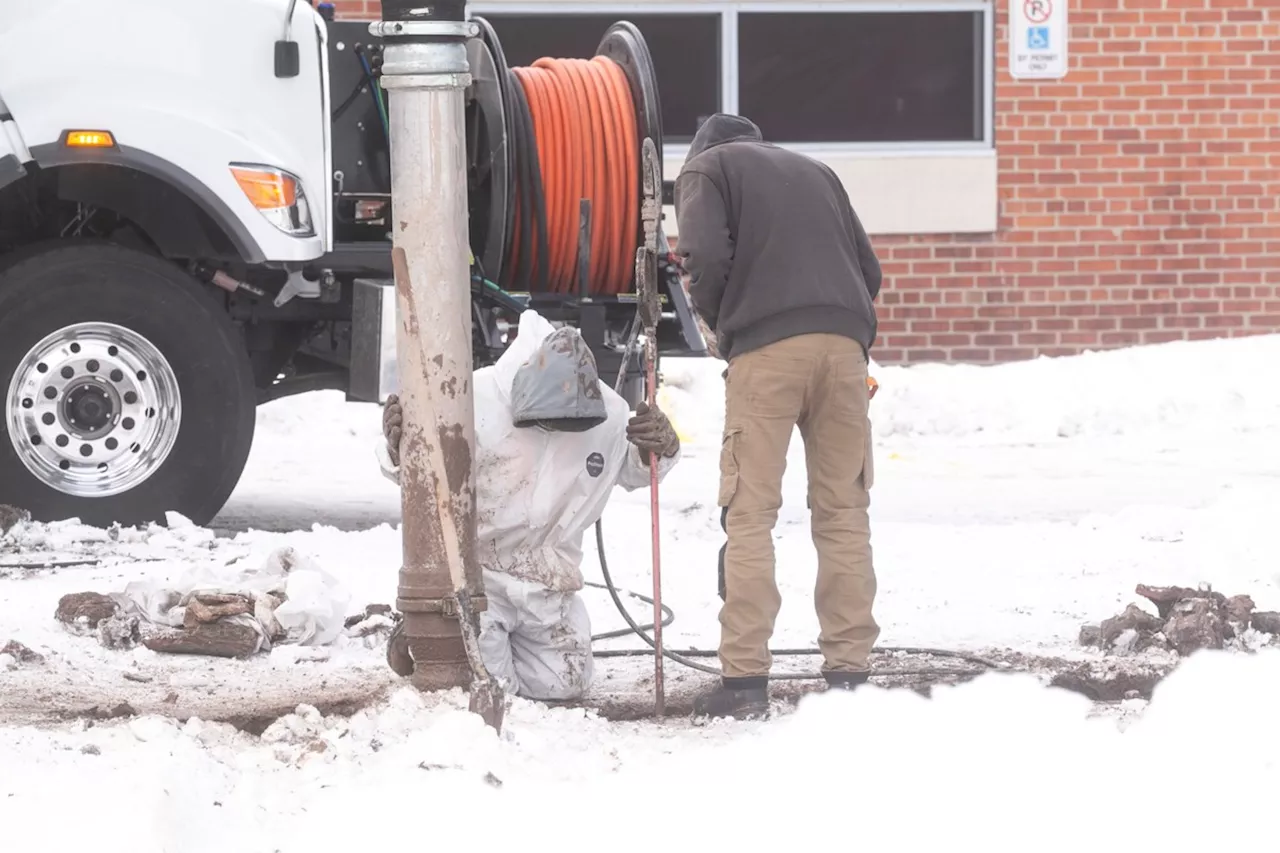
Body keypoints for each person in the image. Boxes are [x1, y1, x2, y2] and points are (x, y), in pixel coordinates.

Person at [674, 113, 882, 720]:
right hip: (846, 350)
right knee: (844, 512)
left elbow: (703, 255)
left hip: (766, 352)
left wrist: (720, 323)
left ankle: (744, 683)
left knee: (751, 514)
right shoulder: (818, 171)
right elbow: (869, 272)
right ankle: (850, 676)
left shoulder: (706, 169)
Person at [376, 310, 681, 703]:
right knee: (486, 689)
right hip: (478, 575)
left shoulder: (611, 414)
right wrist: (399, 445)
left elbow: (639, 472)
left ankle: (506, 646)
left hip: (549, 580)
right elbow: (414, 479)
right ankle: (422, 634)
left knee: (563, 686)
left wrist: (660, 448)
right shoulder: (472, 398)